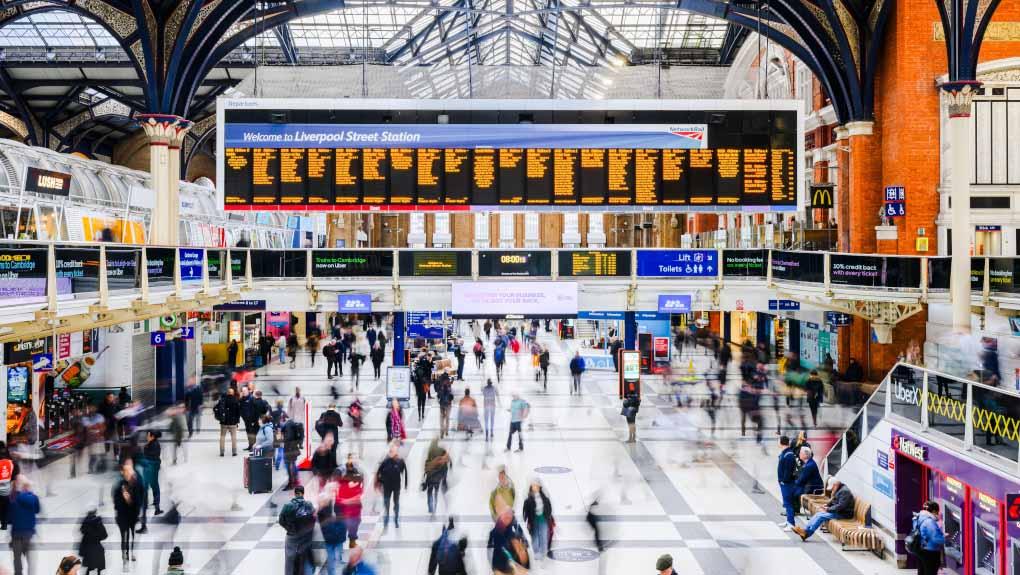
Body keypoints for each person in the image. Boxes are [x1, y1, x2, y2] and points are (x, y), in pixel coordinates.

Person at [278, 485, 316, 575]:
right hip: (305, 537)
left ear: (294, 494)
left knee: (290, 559)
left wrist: (289, 528)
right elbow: (313, 519)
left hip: (292, 536)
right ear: (303, 493)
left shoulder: (288, 506)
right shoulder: (309, 505)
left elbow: (281, 521)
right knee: (305, 558)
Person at [9, 477, 40, 575]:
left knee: (17, 561)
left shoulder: (11, 500)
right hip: (29, 534)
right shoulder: (33, 498)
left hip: (16, 534)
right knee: (31, 562)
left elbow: (9, 518)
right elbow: (37, 510)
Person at [112, 465, 143, 564]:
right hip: (123, 517)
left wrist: (130, 501)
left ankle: (131, 552)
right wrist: (124, 500)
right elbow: (116, 504)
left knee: (133, 535)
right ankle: (124, 553)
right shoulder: (120, 487)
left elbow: (139, 501)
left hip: (132, 516)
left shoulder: (136, 486)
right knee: (124, 536)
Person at [375, 441, 407, 531]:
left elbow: (405, 472)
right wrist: (379, 483)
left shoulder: (400, 462)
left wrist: (405, 484)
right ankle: (386, 520)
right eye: (391, 450)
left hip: (396, 486)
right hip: (387, 487)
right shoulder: (385, 462)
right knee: (386, 504)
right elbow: (378, 472)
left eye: (394, 450)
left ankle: (396, 520)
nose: (392, 452)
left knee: (396, 504)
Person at [487, 508, 529, 575]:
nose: (508, 519)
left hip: (508, 560)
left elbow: (520, 534)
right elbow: (498, 545)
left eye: (510, 516)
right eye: (506, 516)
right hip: (499, 561)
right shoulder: (498, 528)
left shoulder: (513, 525)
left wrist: (522, 543)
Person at [522, 479, 554, 562]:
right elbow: (526, 511)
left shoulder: (544, 497)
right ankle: (535, 554)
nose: (535, 487)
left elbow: (548, 507)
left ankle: (543, 553)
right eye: (533, 486)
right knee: (535, 538)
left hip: (543, 520)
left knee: (543, 536)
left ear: (540, 487)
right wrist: (526, 521)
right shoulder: (528, 499)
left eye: (537, 486)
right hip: (534, 521)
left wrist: (548, 516)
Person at [336, 455, 364, 548]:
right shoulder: (340, 473)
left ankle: (352, 541)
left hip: (353, 508)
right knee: (342, 525)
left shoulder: (358, 474)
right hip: (343, 506)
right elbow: (336, 490)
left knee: (354, 524)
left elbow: (360, 490)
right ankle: (341, 543)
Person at [318, 481, 345, 575]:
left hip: (332, 534)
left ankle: (331, 571)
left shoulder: (327, 502)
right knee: (333, 556)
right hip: (333, 534)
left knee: (332, 555)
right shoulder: (329, 502)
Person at [913, 500, 946, 575]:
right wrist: (945, 539)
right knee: (930, 572)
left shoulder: (919, 517)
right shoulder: (929, 522)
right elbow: (936, 539)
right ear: (934, 511)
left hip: (920, 550)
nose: (938, 514)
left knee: (922, 572)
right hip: (930, 552)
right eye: (937, 512)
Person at [423, 439, 451, 517]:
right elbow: (447, 461)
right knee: (436, 493)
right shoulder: (442, 451)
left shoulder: (430, 453)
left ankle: (431, 508)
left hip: (430, 477)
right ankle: (434, 509)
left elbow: (427, 465)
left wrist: (426, 472)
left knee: (429, 492)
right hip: (437, 478)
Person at [777, 435, 798, 530]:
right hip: (785, 483)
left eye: (778, 441)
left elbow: (788, 471)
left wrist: (784, 481)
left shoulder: (788, 455)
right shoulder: (785, 453)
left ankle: (791, 524)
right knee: (786, 503)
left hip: (787, 483)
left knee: (788, 503)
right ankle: (788, 521)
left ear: (781, 442)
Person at [140, 430, 163, 517]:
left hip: (150, 468)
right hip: (152, 467)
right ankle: (156, 506)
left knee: (151, 486)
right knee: (154, 486)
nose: (147, 437)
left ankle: (154, 508)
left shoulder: (153, 445)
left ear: (153, 436)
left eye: (148, 435)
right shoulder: (153, 444)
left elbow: (152, 456)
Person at [213, 388, 241, 457]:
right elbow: (238, 412)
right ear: (233, 393)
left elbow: (215, 408)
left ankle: (222, 452)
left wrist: (218, 416)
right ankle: (234, 452)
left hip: (224, 422)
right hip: (233, 422)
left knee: (222, 436)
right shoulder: (236, 400)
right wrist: (237, 422)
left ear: (227, 393)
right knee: (233, 437)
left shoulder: (222, 400)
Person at [78, 510, 107, 575]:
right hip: (96, 547)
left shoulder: (85, 522)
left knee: (89, 566)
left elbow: (82, 531)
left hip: (87, 548)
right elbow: (104, 535)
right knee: (99, 565)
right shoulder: (98, 522)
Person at [282, 416, 305, 490]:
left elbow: (286, 437)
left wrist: (279, 436)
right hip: (294, 447)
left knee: (289, 465)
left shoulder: (286, 425)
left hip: (288, 447)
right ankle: (295, 481)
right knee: (292, 464)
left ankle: (291, 483)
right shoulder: (294, 424)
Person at [437, 374, 454, 439]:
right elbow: (452, 396)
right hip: (448, 405)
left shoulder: (441, 387)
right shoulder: (449, 387)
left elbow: (438, 396)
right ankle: (446, 431)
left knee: (441, 419)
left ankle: (442, 432)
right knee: (447, 418)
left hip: (442, 405)